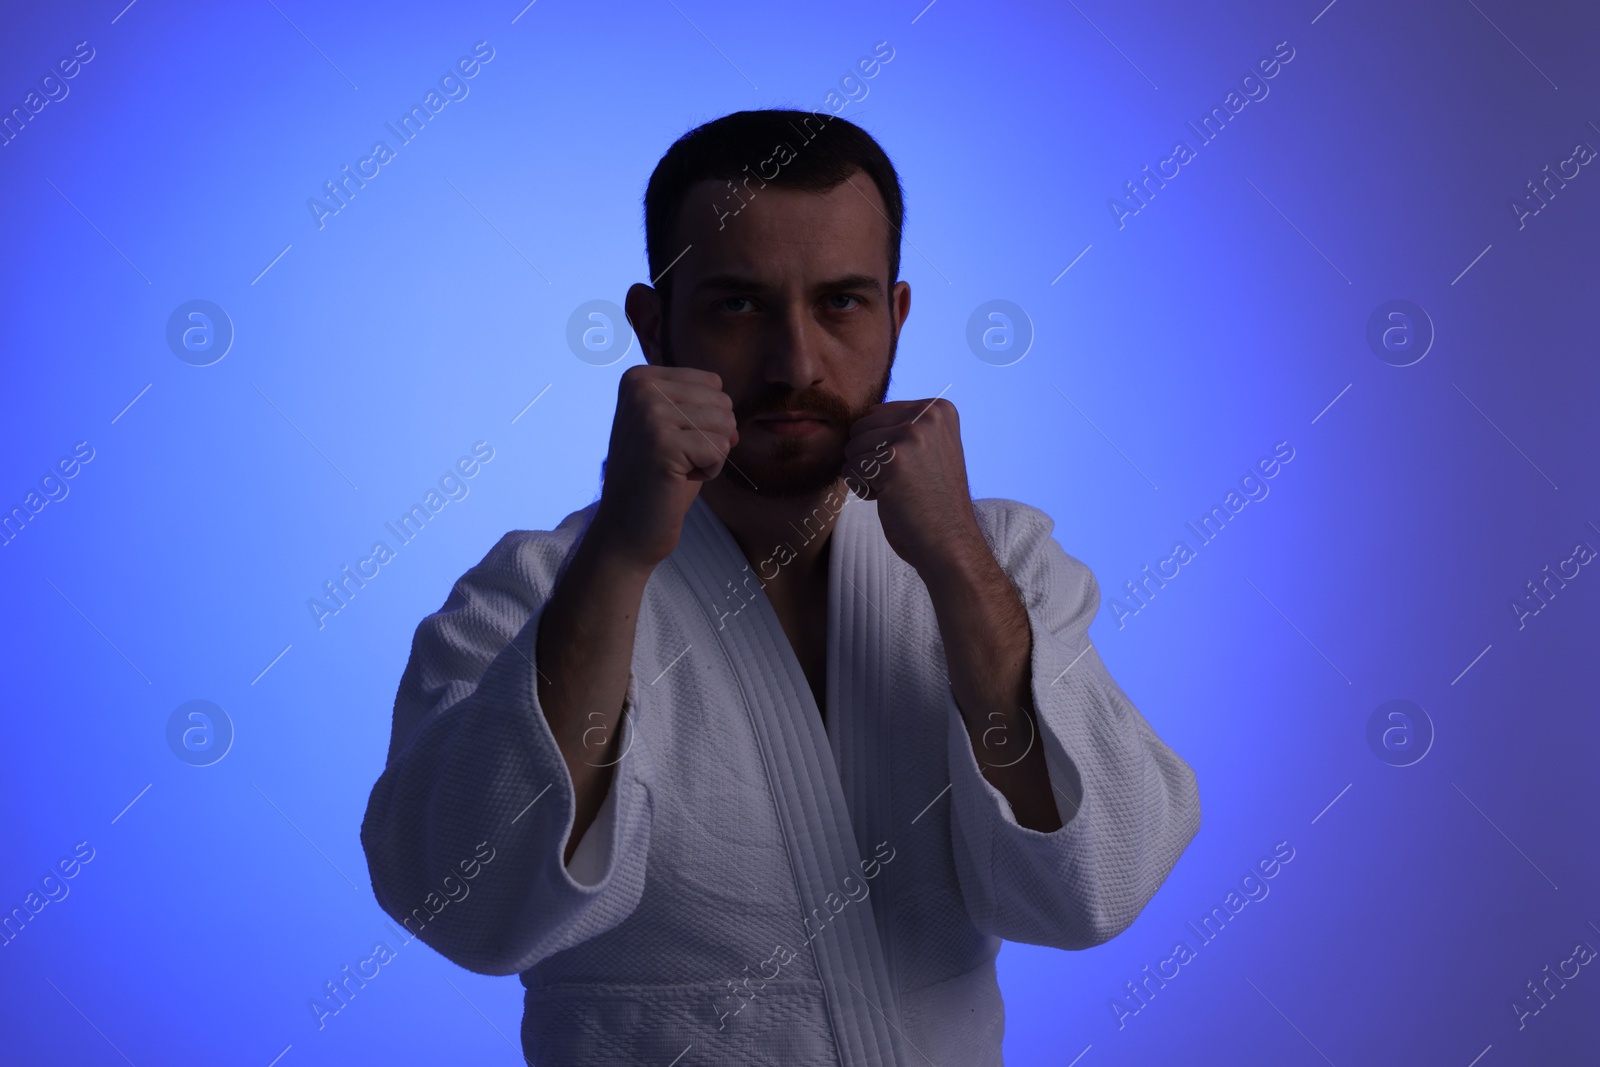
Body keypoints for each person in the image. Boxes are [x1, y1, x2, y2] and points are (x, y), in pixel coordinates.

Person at [361, 108, 1201, 1065]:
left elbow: (1100, 884)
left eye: (841, 303)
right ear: (651, 325)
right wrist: (624, 555)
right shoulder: (533, 590)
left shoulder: (1000, 556)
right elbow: (467, 909)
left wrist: (957, 563)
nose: (796, 365)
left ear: (897, 314)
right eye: (737, 304)